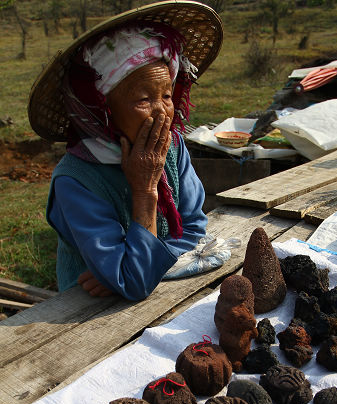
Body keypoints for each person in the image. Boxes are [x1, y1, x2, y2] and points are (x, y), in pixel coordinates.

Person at [28, 1, 223, 299]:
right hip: (85, 317)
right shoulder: (76, 180)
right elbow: (134, 281)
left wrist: (136, 267)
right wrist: (145, 190)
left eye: (167, 95)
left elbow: (194, 229)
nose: (162, 113)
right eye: (144, 99)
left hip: (165, 294)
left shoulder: (173, 147)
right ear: (102, 111)